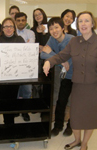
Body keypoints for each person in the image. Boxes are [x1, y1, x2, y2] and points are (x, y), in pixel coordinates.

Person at [43, 11, 97, 150]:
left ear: (92, 24)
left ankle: (84, 144)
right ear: (77, 24)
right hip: (77, 83)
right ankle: (77, 140)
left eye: (86, 21)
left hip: (93, 86)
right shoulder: (74, 41)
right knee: (76, 114)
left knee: (89, 115)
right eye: (80, 21)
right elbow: (61, 56)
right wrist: (49, 62)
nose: (83, 24)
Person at [40, 17, 74, 136]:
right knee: (61, 100)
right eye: (51, 28)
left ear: (63, 28)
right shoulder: (52, 39)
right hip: (65, 75)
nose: (54, 31)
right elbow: (43, 53)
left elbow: (69, 61)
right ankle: (58, 126)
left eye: (56, 27)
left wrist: (54, 56)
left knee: (74, 102)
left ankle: (71, 126)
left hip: (78, 75)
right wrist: (60, 60)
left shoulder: (71, 40)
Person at [0, 17, 25, 124]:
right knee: (2, 100)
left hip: (14, 75)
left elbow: (23, 55)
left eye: (11, 26)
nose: (8, 28)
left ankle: (9, 123)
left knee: (12, 99)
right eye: (6, 26)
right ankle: (7, 121)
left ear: (14, 28)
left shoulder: (19, 39)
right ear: (2, 28)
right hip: (0, 75)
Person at [15, 12, 35, 121]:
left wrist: (19, 47)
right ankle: (17, 109)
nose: (21, 22)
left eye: (23, 20)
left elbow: (31, 48)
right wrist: (25, 45)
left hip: (27, 66)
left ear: (26, 21)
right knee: (16, 90)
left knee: (27, 90)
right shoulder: (12, 33)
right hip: (14, 66)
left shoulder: (30, 32)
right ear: (15, 21)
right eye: (18, 20)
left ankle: (25, 111)